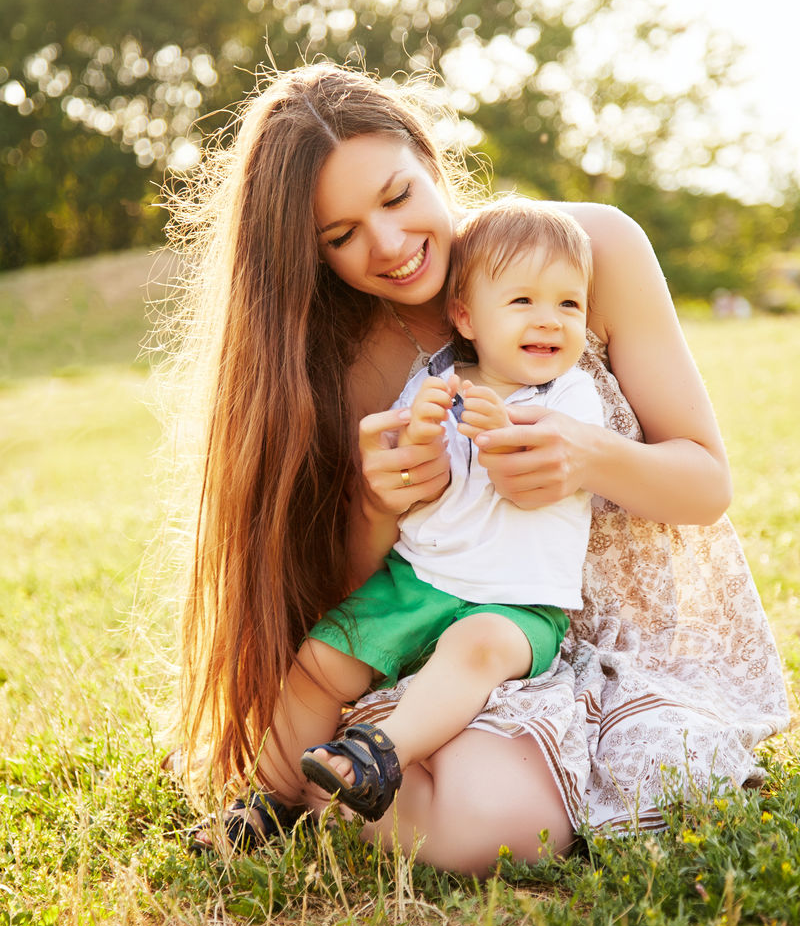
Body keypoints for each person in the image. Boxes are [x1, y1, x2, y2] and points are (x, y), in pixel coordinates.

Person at [172, 62, 789, 875]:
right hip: (446, 642)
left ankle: (367, 780)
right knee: (464, 804)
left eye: (396, 197)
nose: (388, 245)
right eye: (341, 236)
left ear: (431, 160)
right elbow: (347, 597)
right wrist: (378, 507)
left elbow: (706, 483)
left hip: (619, 636)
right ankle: (315, 785)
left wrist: (588, 455)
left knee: (489, 829)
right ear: (310, 255)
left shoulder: (585, 251)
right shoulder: (341, 360)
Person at [254, 200, 605, 821]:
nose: (549, 321)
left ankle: (378, 756)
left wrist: (498, 429)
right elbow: (422, 479)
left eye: (568, 304)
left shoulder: (570, 395)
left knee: (476, 644)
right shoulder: (433, 378)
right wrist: (418, 432)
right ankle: (268, 801)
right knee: (320, 661)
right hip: (416, 580)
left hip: (515, 603)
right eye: (523, 301)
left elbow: (533, 474)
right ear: (466, 316)